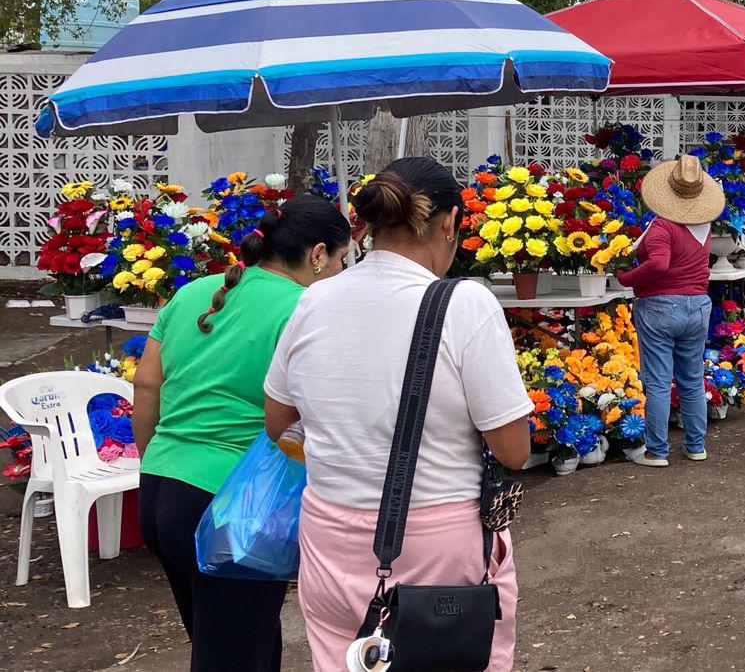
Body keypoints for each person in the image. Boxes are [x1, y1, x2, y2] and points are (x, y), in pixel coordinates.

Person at [263, 158, 533, 672]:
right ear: (450, 223)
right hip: (436, 546)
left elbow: (278, 423)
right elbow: (514, 450)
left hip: (327, 534)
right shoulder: (464, 304)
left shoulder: (314, 301)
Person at [133, 195, 350, 672]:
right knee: (234, 653)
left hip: (159, 491)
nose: (339, 271)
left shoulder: (195, 292)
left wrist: (157, 461)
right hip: (237, 506)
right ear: (317, 254)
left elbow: (147, 383)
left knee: (234, 643)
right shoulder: (307, 306)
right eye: (339, 259)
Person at [616, 155, 723, 467]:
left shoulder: (663, 226)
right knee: (691, 379)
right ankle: (695, 446)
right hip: (697, 304)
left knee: (660, 381)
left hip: (661, 306)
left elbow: (660, 264)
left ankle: (657, 451)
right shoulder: (703, 223)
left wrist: (626, 278)